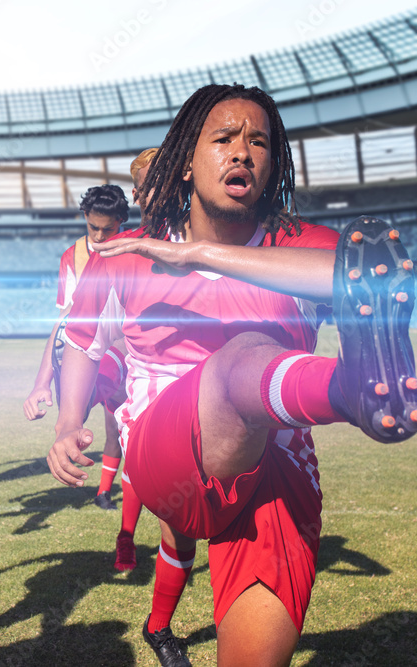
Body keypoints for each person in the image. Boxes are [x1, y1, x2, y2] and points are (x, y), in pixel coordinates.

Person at [47, 83, 416, 667]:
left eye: (259, 142)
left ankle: (354, 390)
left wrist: (201, 256)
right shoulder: (123, 252)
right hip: (166, 452)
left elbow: (377, 271)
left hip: (278, 461)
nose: (242, 151)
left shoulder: (296, 244)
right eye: (223, 138)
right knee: (245, 351)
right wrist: (68, 421)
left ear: (272, 166)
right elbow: (83, 343)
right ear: (187, 163)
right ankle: (351, 391)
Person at [23, 184, 130, 512]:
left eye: (108, 229)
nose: (99, 237)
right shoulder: (71, 257)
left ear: (122, 222)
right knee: (78, 414)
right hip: (85, 352)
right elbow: (62, 321)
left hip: (125, 351)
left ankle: (104, 493)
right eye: (93, 227)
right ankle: (70, 437)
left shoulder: (131, 249)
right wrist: (41, 382)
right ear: (85, 217)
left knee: (117, 430)